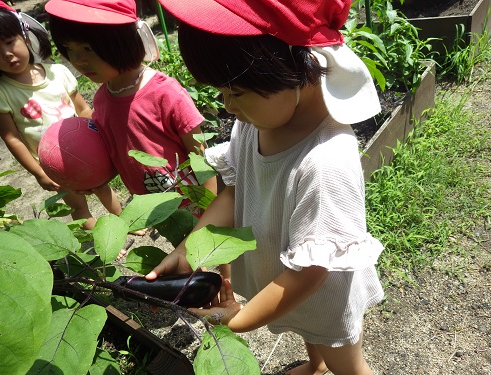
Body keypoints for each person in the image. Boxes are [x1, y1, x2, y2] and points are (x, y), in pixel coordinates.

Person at [147, 0, 385, 374]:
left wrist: (240, 321)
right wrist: (191, 246)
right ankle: (315, 365)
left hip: (322, 297)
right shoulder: (254, 125)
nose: (227, 106)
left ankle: (329, 365)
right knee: (307, 333)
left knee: (349, 364)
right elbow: (235, 191)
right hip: (285, 278)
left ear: (295, 67)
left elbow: (311, 272)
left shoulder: (325, 161)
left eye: (236, 91)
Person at [45, 0, 217, 208]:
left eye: (88, 48)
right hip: (150, 207)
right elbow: (119, 156)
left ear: (123, 41)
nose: (78, 60)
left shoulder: (165, 93)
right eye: (68, 48)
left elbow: (200, 155)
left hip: (193, 200)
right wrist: (94, 180)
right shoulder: (101, 99)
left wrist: (211, 209)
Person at [0, 4, 123, 231]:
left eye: (9, 42)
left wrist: (105, 140)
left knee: (103, 187)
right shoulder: (2, 92)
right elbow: (12, 138)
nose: (6, 53)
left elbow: (84, 111)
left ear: (25, 37)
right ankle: (103, 240)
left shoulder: (57, 73)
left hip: (86, 152)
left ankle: (127, 222)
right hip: (55, 167)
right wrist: (38, 173)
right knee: (77, 206)